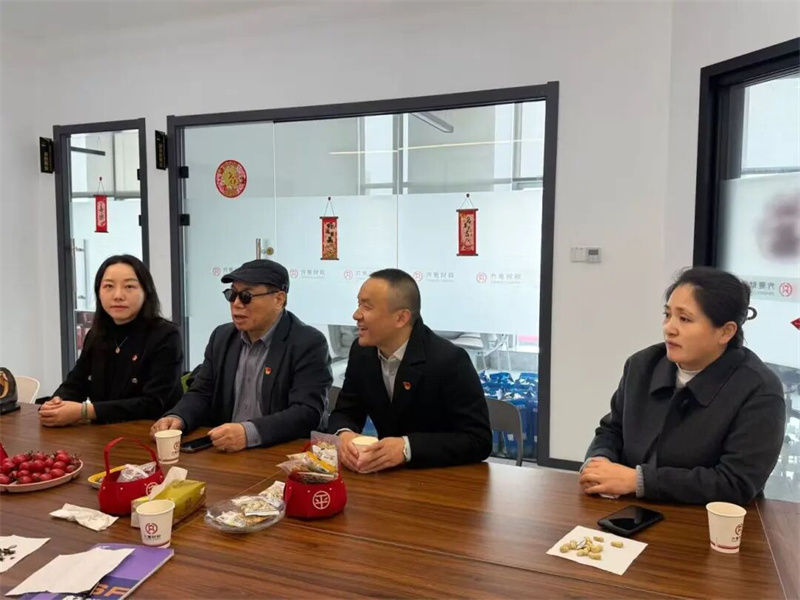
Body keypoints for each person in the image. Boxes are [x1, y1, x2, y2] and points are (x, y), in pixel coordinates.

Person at [582, 267, 786, 505]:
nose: (669, 328)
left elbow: (736, 482)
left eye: (685, 319)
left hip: (708, 519)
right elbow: (612, 430)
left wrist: (639, 481)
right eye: (667, 315)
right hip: (629, 509)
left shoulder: (759, 390)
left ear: (726, 332)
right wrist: (598, 462)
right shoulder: (642, 365)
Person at [150, 259, 332, 453]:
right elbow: (202, 392)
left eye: (246, 296)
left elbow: (307, 412)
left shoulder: (308, 342)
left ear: (279, 299)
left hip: (280, 453)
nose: (236, 304)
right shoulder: (222, 337)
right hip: (224, 450)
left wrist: (249, 433)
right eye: (232, 295)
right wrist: (178, 417)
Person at [327, 268, 492, 472]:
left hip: (439, 476)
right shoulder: (362, 353)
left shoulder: (449, 360)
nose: (356, 315)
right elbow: (345, 411)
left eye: (367, 307)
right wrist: (344, 435)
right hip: (385, 476)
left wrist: (407, 448)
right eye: (358, 304)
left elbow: (478, 440)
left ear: (401, 318)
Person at [40, 255, 182, 426]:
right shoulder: (96, 335)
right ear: (98, 292)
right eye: (108, 286)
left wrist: (85, 411)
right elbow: (76, 382)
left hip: (152, 432)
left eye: (129, 286)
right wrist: (56, 402)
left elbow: (153, 403)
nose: (118, 295)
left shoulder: (166, 335)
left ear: (146, 291)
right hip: (102, 433)